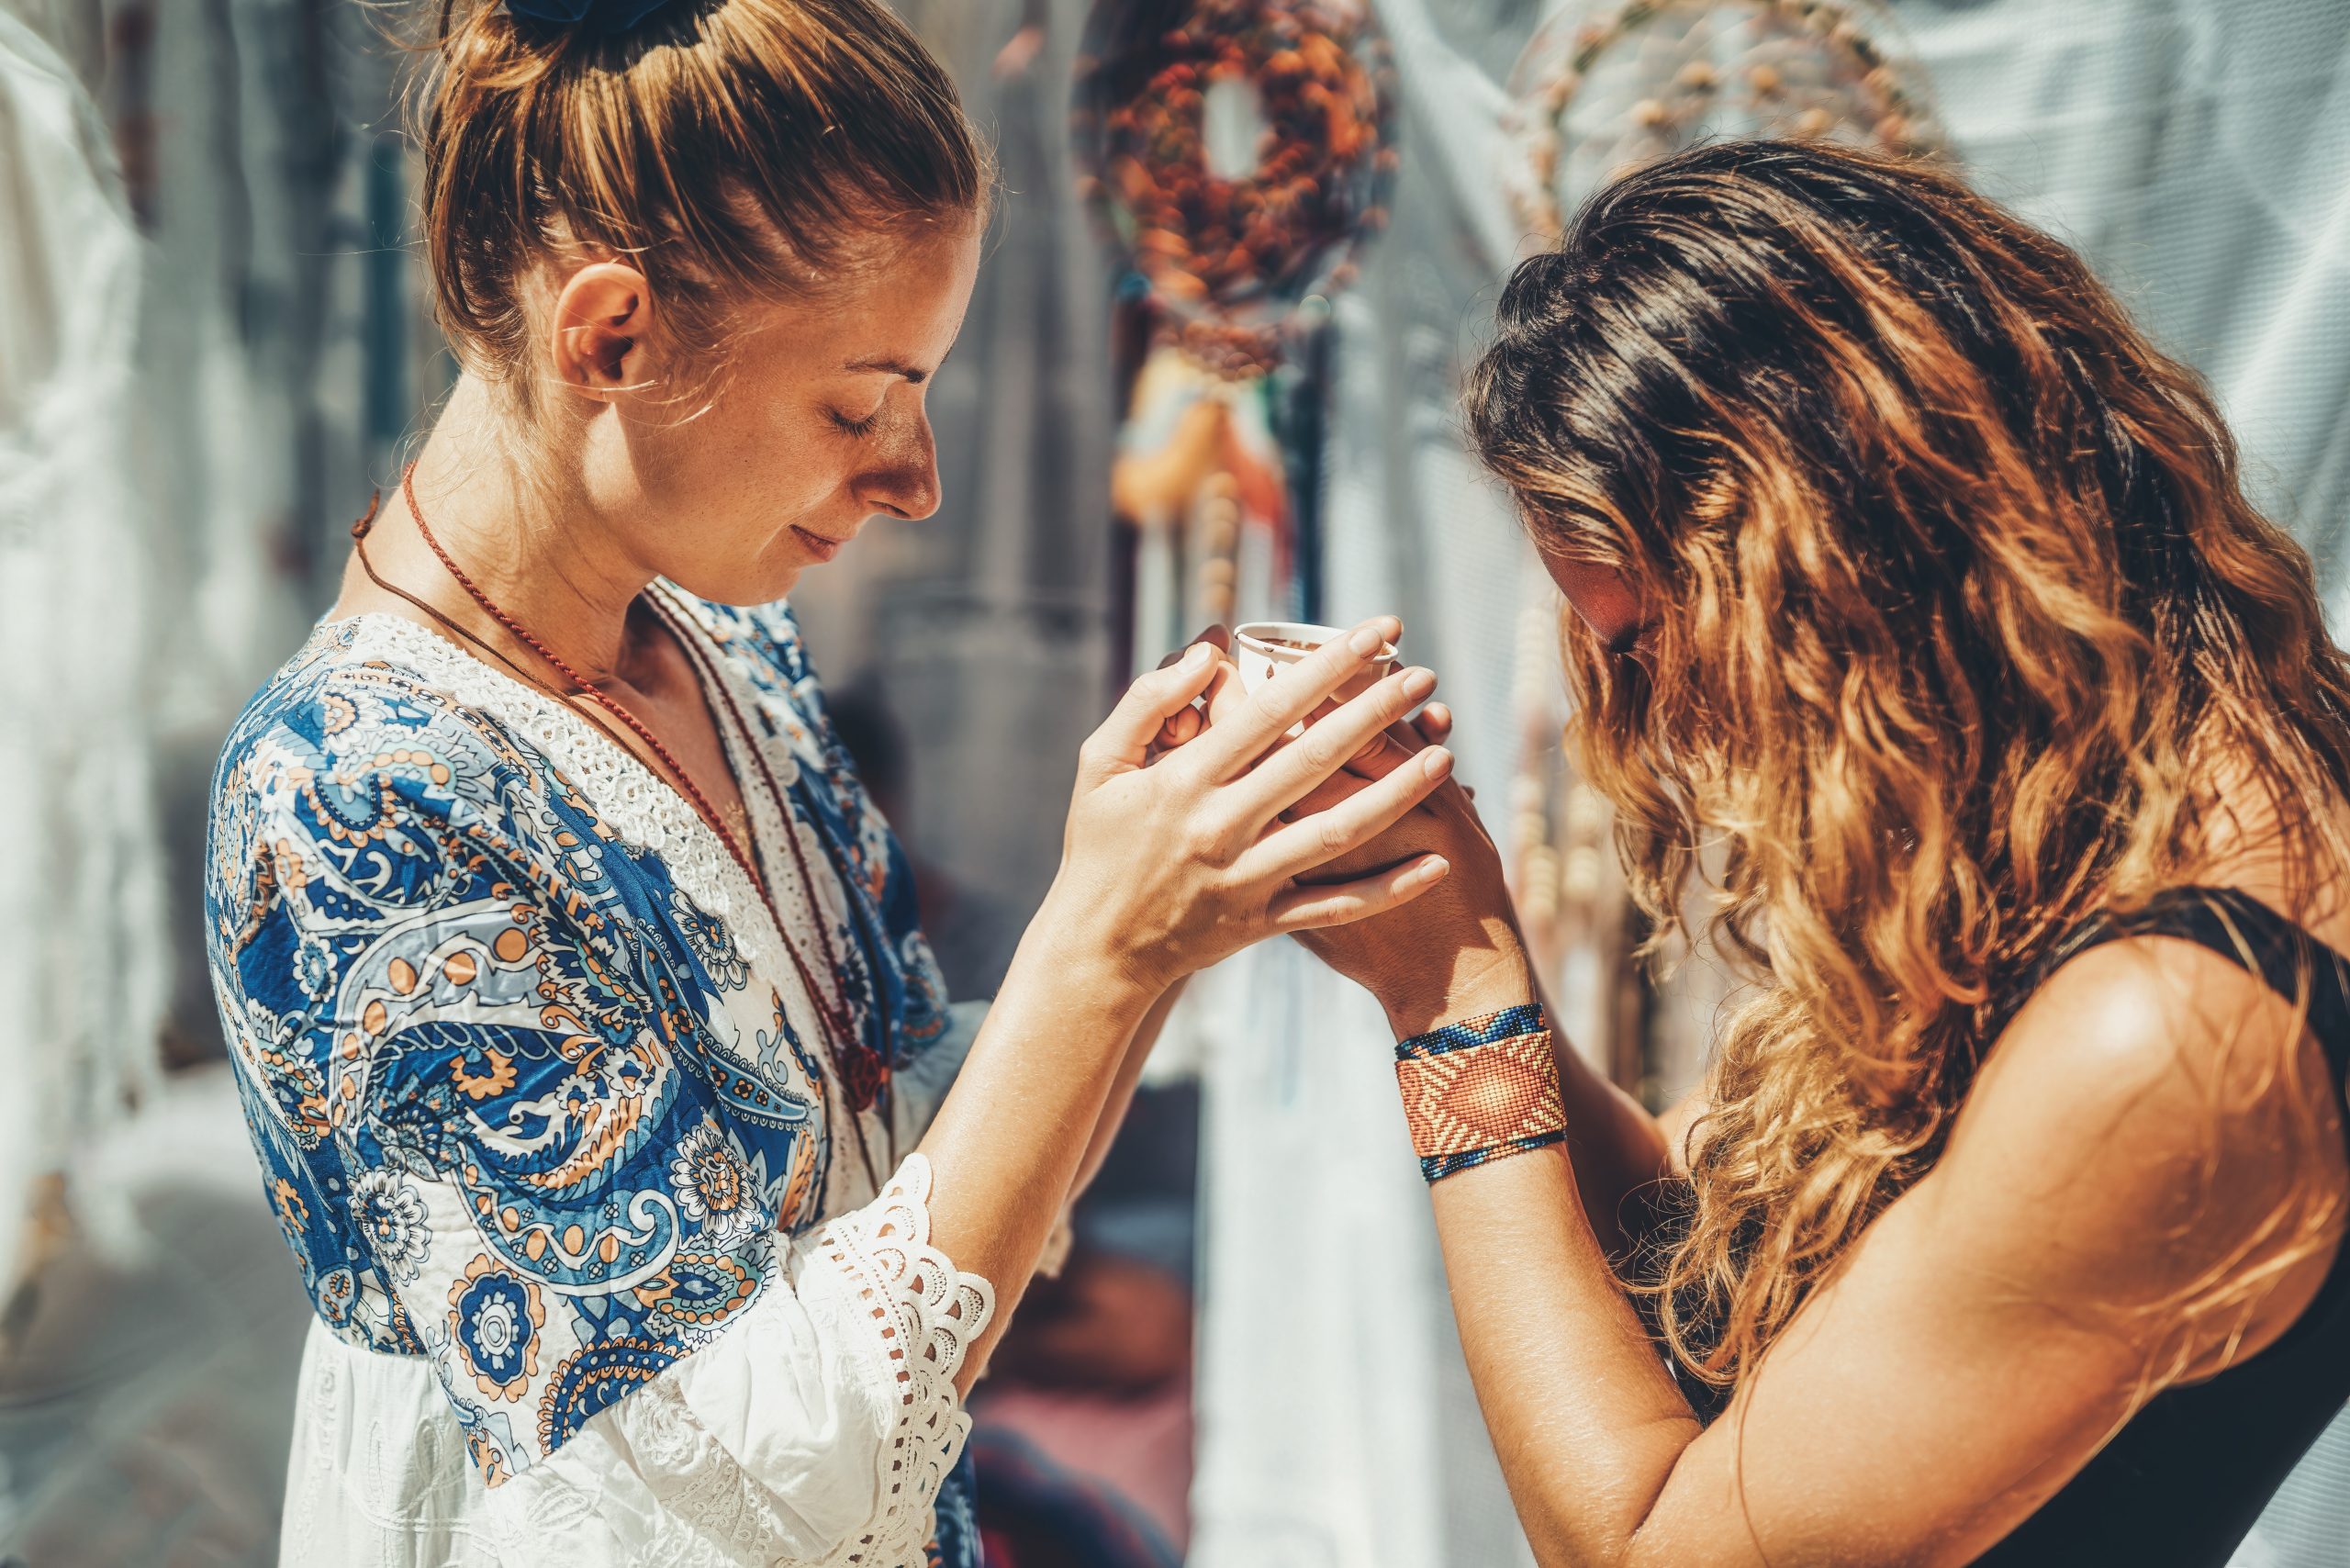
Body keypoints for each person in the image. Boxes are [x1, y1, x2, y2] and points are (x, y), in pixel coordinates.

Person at [198, 3, 1459, 1563]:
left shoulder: (731, 652)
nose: (915, 479)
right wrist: (1102, 943)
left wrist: (1181, 893)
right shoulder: (359, 793)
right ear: (611, 337)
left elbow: (904, 1171)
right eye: (859, 405)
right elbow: (708, 1491)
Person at [1270, 140, 2350, 1565]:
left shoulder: (2174, 1029)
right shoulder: (2120, 812)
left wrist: (1450, 1007)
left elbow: (1660, 1552)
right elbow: (1750, 1333)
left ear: (1822, 559)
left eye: (1646, 639)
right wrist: (1468, 934)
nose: (1663, 718)